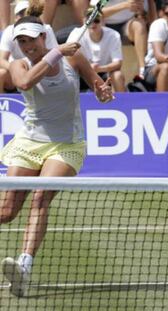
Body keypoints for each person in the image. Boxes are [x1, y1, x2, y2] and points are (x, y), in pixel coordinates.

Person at [0, 16, 113, 297]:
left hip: (65, 145)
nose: (26, 46)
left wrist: (103, 91)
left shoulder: (74, 60)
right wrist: (57, 52)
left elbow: (99, 87)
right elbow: (25, 83)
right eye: (21, 41)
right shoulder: (19, 64)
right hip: (29, 143)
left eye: (31, 39)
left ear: (43, 36)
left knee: (41, 197)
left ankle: (24, 267)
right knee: (6, 211)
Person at [0, 0, 58, 93]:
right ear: (15, 18)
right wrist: (18, 70)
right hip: (17, 74)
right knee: (1, 74)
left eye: (33, 38)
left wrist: (34, 69)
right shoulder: (8, 31)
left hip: (42, 71)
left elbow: (55, 55)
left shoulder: (46, 29)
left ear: (43, 36)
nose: (25, 17)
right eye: (22, 41)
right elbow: (1, 60)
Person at [68, 7, 126, 92]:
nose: (93, 24)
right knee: (68, 76)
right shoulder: (77, 33)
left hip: (104, 72)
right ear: (84, 21)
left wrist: (100, 69)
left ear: (103, 21)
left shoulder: (113, 35)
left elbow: (118, 64)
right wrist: (87, 69)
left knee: (118, 75)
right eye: (89, 21)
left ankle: (121, 104)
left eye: (96, 21)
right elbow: (68, 57)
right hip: (82, 74)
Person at [100, 0, 157, 79]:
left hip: (127, 24)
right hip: (103, 24)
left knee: (139, 25)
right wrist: (124, 5)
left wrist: (141, 10)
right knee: (95, 22)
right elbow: (96, 12)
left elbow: (147, 8)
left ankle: (143, 70)